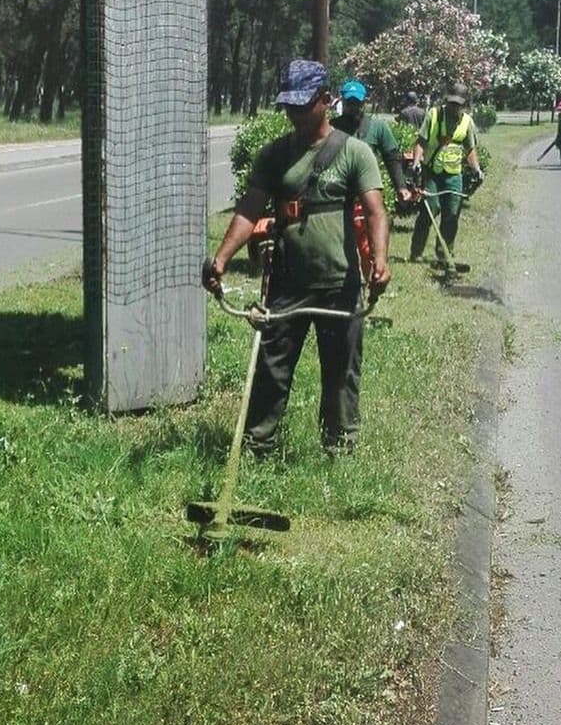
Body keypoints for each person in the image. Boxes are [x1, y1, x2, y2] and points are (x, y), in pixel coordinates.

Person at [204, 59, 391, 456]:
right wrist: (221, 258)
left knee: (341, 372)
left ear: (325, 100)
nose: (294, 114)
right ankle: (258, 446)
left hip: (340, 283)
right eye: (289, 106)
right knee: (272, 368)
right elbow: (248, 210)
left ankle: (339, 449)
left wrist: (379, 261)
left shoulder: (355, 153)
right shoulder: (274, 155)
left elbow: (376, 212)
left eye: (302, 105)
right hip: (287, 281)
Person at [408, 82, 483, 266]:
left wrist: (476, 169)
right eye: (451, 102)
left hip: (453, 174)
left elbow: (470, 149)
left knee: (452, 214)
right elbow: (421, 141)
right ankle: (416, 252)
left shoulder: (467, 122)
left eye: (458, 104)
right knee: (429, 209)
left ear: (464, 104)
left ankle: (444, 254)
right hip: (432, 172)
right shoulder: (433, 115)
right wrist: (416, 162)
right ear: (446, 100)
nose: (453, 107)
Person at [332, 79, 406, 197]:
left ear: (364, 103)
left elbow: (392, 157)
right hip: (337, 192)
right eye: (349, 103)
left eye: (357, 103)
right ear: (343, 102)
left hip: (367, 191)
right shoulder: (332, 127)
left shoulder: (378, 127)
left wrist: (401, 187)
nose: (353, 108)